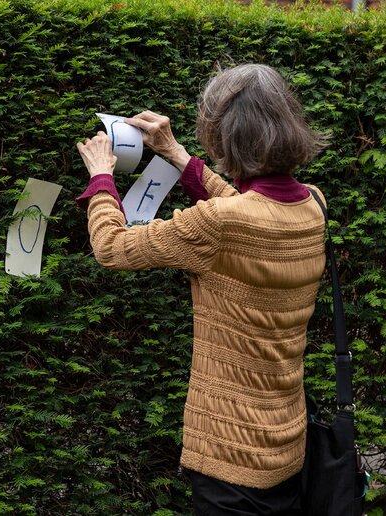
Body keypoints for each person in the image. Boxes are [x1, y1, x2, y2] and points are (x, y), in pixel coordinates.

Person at [76, 63, 328, 515]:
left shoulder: (219, 224)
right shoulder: (313, 204)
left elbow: (112, 248)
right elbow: (248, 208)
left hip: (230, 454)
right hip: (289, 442)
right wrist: (176, 154)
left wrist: (101, 176)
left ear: (225, 137)